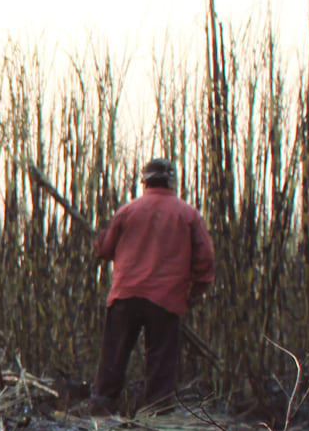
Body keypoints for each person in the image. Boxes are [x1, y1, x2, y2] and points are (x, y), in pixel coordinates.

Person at [89, 157, 215, 413]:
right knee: (161, 360)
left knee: (114, 356)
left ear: (144, 181)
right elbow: (205, 259)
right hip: (166, 300)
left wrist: (100, 239)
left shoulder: (128, 211)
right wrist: (195, 293)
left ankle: (101, 409)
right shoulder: (188, 214)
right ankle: (157, 414)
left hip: (125, 295)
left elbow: (104, 250)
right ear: (171, 181)